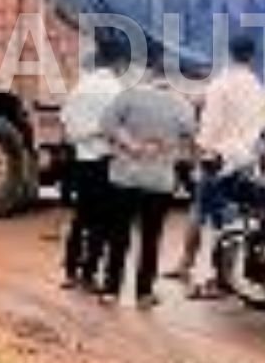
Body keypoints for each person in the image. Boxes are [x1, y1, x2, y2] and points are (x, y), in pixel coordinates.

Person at [167, 35, 265, 293]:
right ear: (252, 56)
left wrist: (199, 153)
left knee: (206, 214)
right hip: (246, 159)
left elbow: (209, 126)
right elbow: (262, 125)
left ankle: (200, 270)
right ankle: (216, 272)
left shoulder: (221, 84)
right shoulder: (259, 87)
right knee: (229, 218)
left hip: (218, 159)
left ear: (229, 53)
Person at [100, 62, 196, 309]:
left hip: (125, 178)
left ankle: (111, 290)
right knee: (151, 239)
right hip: (159, 182)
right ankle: (144, 294)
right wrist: (169, 147)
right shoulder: (181, 104)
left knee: (119, 236)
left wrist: (130, 144)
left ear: (149, 73)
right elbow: (190, 135)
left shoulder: (128, 96)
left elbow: (107, 124)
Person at [58, 36, 126, 289]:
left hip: (82, 159)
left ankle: (70, 271)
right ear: (119, 63)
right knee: (103, 221)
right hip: (105, 161)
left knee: (81, 217)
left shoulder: (79, 87)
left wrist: (83, 135)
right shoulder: (116, 91)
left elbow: (65, 122)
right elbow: (119, 129)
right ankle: (89, 274)